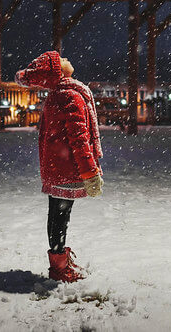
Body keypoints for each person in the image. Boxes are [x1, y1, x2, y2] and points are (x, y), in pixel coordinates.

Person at [15, 50, 104, 282]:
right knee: (60, 215)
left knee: (58, 214)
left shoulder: (60, 94)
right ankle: (59, 267)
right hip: (67, 167)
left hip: (58, 166)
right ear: (57, 71)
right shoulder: (69, 95)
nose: (67, 59)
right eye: (61, 60)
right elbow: (78, 137)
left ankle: (60, 260)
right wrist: (90, 171)